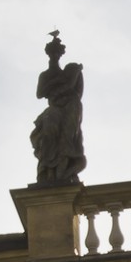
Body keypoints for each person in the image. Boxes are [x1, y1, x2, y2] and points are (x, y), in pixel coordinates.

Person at [32, 31, 87, 185]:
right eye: (52, 53)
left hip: (70, 107)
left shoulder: (71, 70)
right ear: (49, 55)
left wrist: (61, 85)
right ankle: (49, 172)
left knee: (67, 139)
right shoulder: (46, 75)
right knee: (50, 131)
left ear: (60, 55)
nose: (54, 56)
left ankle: (63, 171)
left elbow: (75, 90)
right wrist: (59, 82)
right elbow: (40, 93)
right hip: (54, 109)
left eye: (57, 53)